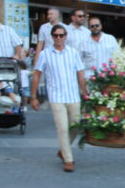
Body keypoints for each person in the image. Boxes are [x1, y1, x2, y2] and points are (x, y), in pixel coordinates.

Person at [29, 25, 88, 172]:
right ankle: (69, 160)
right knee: (62, 128)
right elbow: (37, 74)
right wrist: (33, 96)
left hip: (73, 94)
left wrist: (84, 91)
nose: (59, 38)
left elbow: (80, 73)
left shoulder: (73, 53)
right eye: (55, 35)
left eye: (61, 35)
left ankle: (63, 150)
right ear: (52, 37)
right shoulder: (45, 54)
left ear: (66, 36)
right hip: (56, 96)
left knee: (75, 126)